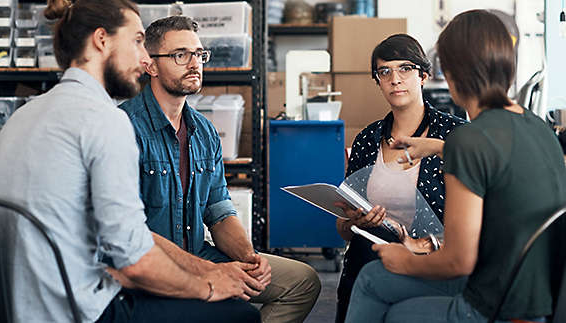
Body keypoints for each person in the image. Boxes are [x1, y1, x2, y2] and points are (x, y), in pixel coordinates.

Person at [0, 0, 261, 322]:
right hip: (81, 310)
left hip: (18, 304)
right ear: (101, 40)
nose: (145, 57)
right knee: (241, 315)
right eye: (136, 41)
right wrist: (209, 284)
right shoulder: (106, 120)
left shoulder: (24, 115)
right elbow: (136, 261)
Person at [345, 10, 566, 323]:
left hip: (494, 304)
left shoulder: (470, 140)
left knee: (384, 294)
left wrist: (401, 259)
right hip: (539, 297)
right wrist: (440, 147)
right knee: (375, 281)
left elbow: (458, 261)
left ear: (449, 73)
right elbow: (503, 165)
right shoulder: (538, 128)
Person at [118, 15, 321, 323]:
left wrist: (248, 258)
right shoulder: (124, 127)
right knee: (237, 313)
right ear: (150, 64)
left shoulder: (205, 131)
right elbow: (131, 232)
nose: (194, 64)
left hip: (200, 252)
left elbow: (219, 211)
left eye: (199, 55)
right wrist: (210, 272)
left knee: (301, 281)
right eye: (180, 55)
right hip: (150, 265)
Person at [334, 33, 466, 322]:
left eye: (405, 68)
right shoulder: (368, 139)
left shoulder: (455, 135)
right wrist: (355, 222)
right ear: (378, 81)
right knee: (369, 241)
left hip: (432, 257)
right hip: (372, 251)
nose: (395, 79)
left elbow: (473, 222)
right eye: (385, 71)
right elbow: (342, 228)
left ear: (422, 75)